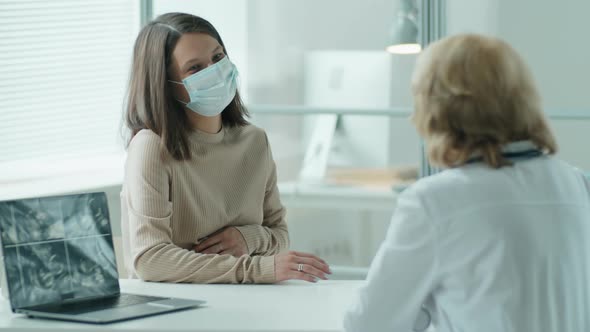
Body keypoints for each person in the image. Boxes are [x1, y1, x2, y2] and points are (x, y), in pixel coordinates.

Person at [344, 34, 590, 331]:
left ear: (436, 110)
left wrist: (423, 303)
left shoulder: (435, 202)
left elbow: (369, 324)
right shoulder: (576, 184)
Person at [120, 12, 331, 284]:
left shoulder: (255, 141)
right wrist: (256, 269)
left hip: (246, 300)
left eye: (218, 58)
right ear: (166, 85)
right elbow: (150, 259)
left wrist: (247, 238)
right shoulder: (151, 147)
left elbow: (279, 236)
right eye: (195, 68)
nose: (214, 71)